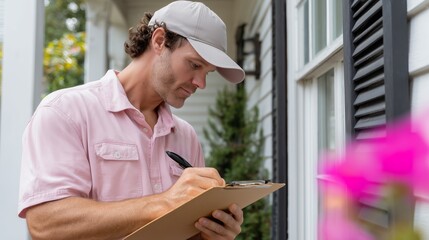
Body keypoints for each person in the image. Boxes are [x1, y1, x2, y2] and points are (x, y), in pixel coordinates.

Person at [18, 1, 246, 239]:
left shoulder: (185, 136)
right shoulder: (66, 112)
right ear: (159, 41)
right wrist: (164, 203)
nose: (201, 83)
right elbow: (45, 224)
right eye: (195, 65)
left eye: (206, 72)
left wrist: (211, 232)